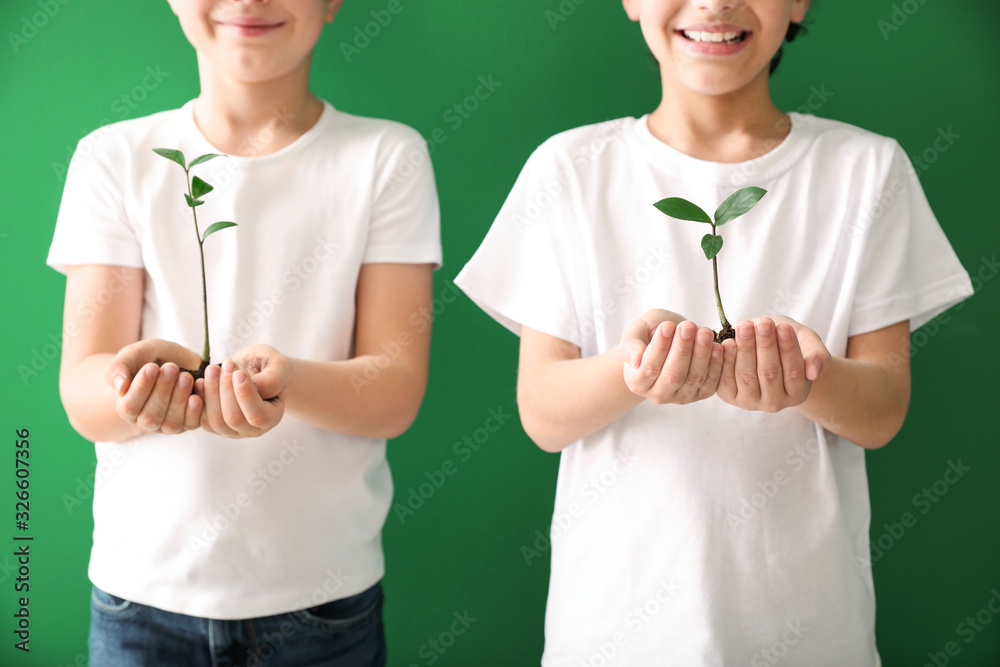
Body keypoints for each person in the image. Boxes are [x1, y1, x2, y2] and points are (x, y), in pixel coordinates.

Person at [454, 0, 973, 664]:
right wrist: (631, 371)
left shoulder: (867, 170)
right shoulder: (571, 169)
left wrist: (806, 377)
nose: (716, 4)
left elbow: (881, 409)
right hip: (614, 633)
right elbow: (543, 413)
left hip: (810, 632)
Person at [47, 1, 441, 665]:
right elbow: (82, 388)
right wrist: (137, 389)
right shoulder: (114, 158)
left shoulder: (385, 157)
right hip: (140, 598)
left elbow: (394, 389)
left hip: (323, 598)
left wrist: (289, 380)